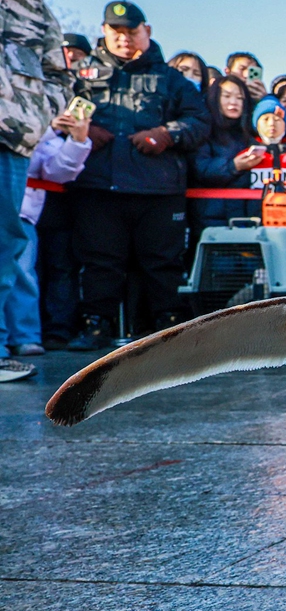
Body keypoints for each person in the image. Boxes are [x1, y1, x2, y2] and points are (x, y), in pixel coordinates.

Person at [67, 1, 210, 350]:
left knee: (163, 264)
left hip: (159, 190)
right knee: (99, 262)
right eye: (117, 32)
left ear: (147, 31)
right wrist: (80, 130)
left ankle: (169, 329)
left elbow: (200, 121)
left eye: (132, 32)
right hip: (98, 186)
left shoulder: (171, 78)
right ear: (104, 32)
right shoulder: (80, 74)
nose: (125, 39)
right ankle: (95, 325)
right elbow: (53, 110)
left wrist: (168, 134)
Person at [0, 0, 70, 379]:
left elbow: (58, 75)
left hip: (11, 141)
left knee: (5, 246)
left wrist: (34, 117)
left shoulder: (37, 12)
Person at [9, 111, 91, 359]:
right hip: (13, 209)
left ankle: (25, 336)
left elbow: (57, 172)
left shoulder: (49, 134)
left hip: (22, 213)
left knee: (24, 276)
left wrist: (77, 141)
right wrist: (45, 128)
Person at [188, 75, 258, 237]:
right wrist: (234, 166)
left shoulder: (249, 134)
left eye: (239, 98)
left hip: (245, 215)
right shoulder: (203, 131)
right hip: (210, 215)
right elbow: (201, 169)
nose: (233, 102)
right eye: (226, 96)